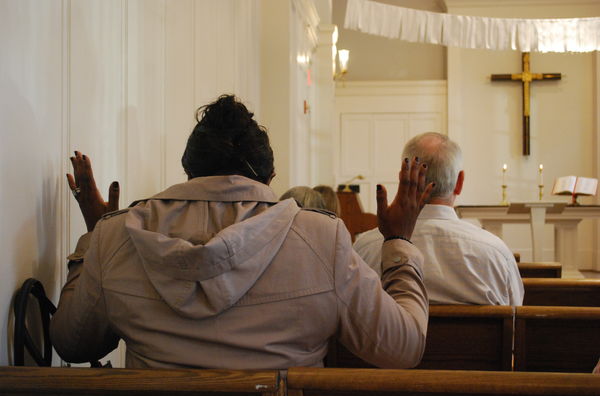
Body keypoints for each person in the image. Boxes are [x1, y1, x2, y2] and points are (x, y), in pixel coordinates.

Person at [50, 94, 434, 369]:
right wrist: (399, 243)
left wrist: (93, 238)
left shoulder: (116, 235)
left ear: (189, 171)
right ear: (269, 176)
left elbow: (73, 343)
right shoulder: (321, 237)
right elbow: (401, 348)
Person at [354, 132, 524, 306]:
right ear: (459, 182)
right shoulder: (496, 253)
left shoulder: (363, 250)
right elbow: (515, 318)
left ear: (404, 177)